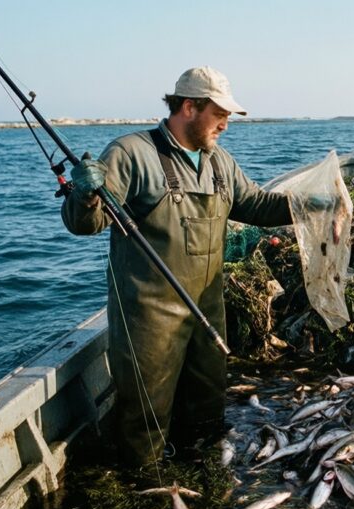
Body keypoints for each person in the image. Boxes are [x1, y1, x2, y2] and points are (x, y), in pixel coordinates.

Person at [62, 66, 294, 466]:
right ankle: (147, 494)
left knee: (206, 414)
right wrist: (83, 196)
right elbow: (88, 224)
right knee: (146, 423)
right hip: (149, 320)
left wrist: (310, 205)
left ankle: (201, 477)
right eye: (219, 113)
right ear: (189, 107)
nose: (226, 123)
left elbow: (256, 204)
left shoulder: (219, 162)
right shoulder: (131, 153)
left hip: (206, 312)